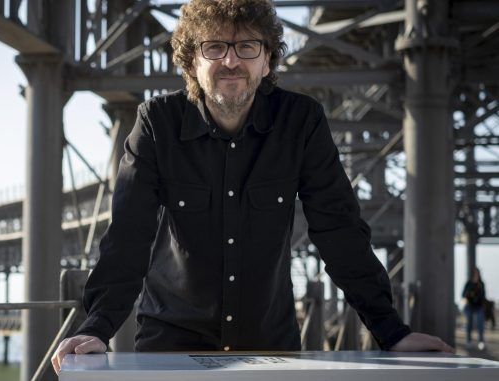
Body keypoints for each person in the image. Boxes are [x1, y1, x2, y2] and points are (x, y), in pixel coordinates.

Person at [52, 0, 454, 373]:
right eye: (214, 47)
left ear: (267, 61)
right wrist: (98, 327)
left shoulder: (302, 122)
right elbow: (127, 236)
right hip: (170, 348)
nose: (230, 60)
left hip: (271, 350)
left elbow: (340, 231)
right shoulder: (157, 123)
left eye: (246, 46)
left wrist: (391, 331)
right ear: (191, 61)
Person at [462, 267, 486, 350]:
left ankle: (481, 341)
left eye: (477, 273)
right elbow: (463, 294)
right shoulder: (468, 283)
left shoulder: (481, 284)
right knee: (469, 322)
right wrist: (470, 294)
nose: (476, 275)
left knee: (480, 323)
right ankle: (468, 340)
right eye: (474, 273)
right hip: (469, 306)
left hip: (478, 307)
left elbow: (483, 296)